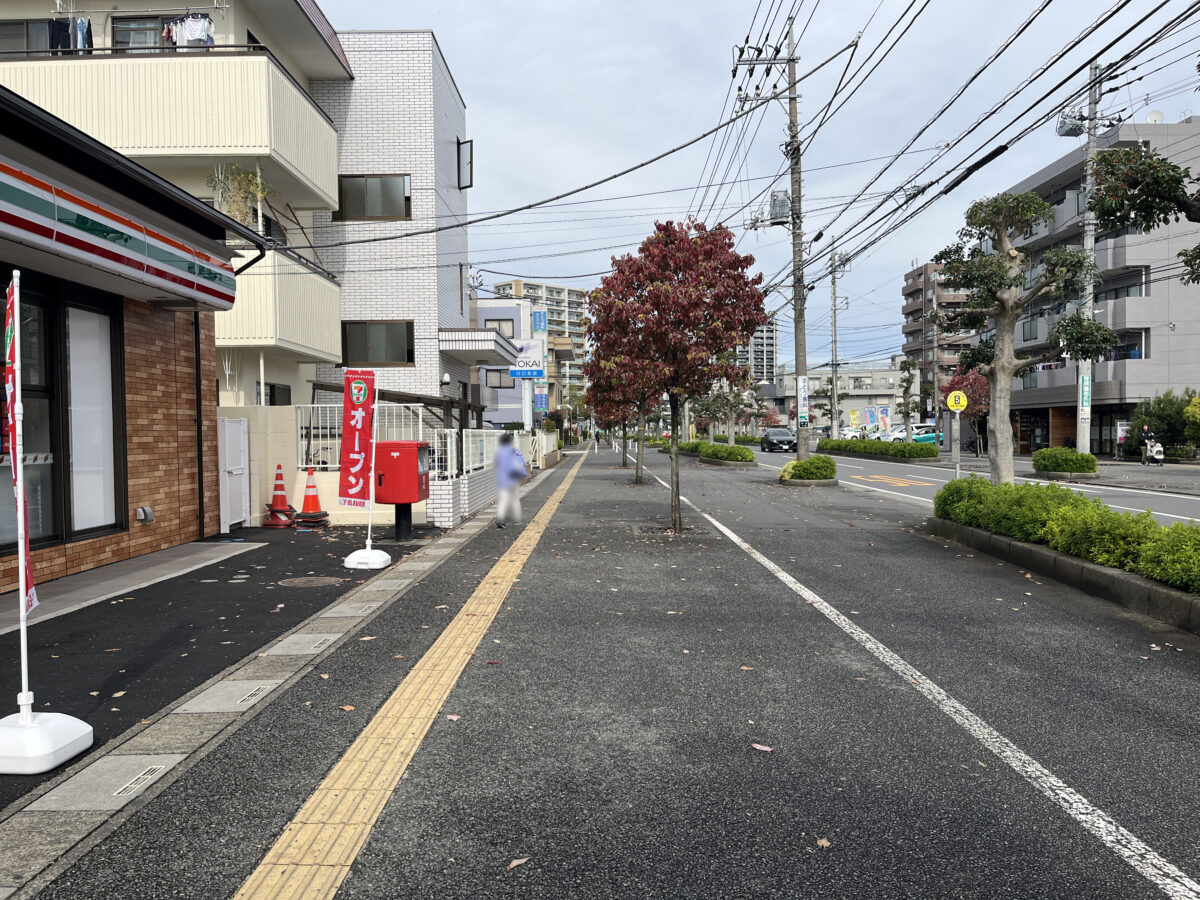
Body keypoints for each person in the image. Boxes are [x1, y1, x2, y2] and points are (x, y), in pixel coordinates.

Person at [493, 432, 527, 528]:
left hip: (503, 480)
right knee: (515, 499)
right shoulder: (516, 450)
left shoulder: (499, 452)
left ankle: (501, 519)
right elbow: (521, 462)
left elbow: (496, 464)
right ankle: (517, 519)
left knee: (503, 500)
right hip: (514, 478)